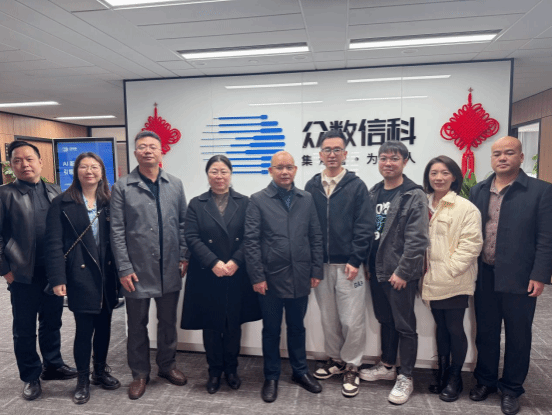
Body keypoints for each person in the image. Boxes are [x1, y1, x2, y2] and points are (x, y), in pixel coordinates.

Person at [469, 136, 552, 415]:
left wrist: (539, 274)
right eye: (497, 154)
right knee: (486, 332)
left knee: (518, 336)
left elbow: (546, 238)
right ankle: (485, 381)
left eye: (509, 153)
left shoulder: (541, 191)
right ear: (491, 159)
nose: (502, 158)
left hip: (520, 276)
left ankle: (512, 388)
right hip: (484, 274)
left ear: (521, 157)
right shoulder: (479, 190)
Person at [110, 130, 189, 400]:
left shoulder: (175, 184)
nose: (147, 151)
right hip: (136, 270)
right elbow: (117, 231)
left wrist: (184, 255)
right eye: (142, 147)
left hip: (169, 267)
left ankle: (167, 366)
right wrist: (124, 268)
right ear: (135, 153)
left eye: (152, 146)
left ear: (160, 151)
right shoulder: (122, 186)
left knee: (168, 322)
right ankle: (139, 373)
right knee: (137, 325)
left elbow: (182, 223)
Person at [244, 151, 324, 403]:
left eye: (289, 167)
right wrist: (257, 276)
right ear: (271, 171)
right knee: (271, 330)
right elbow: (251, 241)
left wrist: (316, 269)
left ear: (295, 170)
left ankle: (300, 371)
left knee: (297, 327)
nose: (285, 172)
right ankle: (271, 376)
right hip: (270, 278)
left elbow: (315, 236)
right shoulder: (258, 200)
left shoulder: (306, 198)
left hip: (300, 275)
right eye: (279, 167)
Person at [0, 141, 77, 401]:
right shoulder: (4, 194)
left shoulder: (56, 191)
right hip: (22, 273)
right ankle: (30, 375)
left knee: (52, 321)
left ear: (41, 162)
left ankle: (52, 365)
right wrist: (5, 271)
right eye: (17, 160)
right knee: (24, 328)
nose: (25, 165)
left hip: (53, 271)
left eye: (29, 159)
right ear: (11, 166)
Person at [181, 155, 261, 394]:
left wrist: (236, 261)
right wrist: (213, 262)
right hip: (207, 272)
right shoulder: (196, 203)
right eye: (214, 171)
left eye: (223, 171)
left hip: (236, 271)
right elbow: (191, 237)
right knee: (212, 325)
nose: (219, 176)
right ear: (208, 175)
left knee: (233, 323)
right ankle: (214, 371)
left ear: (230, 174)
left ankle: (232, 370)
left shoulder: (245, 202)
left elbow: (251, 236)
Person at [45, 152, 121, 404]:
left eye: (94, 167)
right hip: (80, 275)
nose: (89, 171)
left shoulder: (109, 201)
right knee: (84, 329)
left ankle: (100, 371)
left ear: (102, 172)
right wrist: (57, 278)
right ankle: (82, 380)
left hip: (107, 275)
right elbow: (53, 244)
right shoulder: (62, 202)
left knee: (104, 327)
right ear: (76, 171)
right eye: (84, 167)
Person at [305, 130, 374, 398]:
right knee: (328, 317)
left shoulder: (356, 186)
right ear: (320, 154)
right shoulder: (312, 186)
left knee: (351, 320)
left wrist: (356, 259)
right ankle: (335, 359)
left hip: (349, 266)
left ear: (345, 154)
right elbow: (307, 227)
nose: (332, 154)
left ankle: (352, 365)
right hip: (321, 266)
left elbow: (365, 226)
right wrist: (313, 263)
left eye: (337, 150)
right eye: (327, 150)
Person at [359, 141, 429, 405]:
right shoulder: (374, 192)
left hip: (399, 273)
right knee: (385, 320)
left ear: (405, 162)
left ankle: (406, 376)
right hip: (377, 270)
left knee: (405, 325)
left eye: (394, 158)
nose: (388, 163)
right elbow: (369, 233)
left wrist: (403, 271)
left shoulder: (413, 194)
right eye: (384, 158)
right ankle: (388, 366)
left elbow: (418, 239)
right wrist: (368, 266)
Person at [421, 156, 483, 402]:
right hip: (430, 279)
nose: (439, 178)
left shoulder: (465, 207)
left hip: (454, 279)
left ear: (454, 176)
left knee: (455, 327)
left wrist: (449, 271)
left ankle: (455, 378)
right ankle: (443, 372)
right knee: (441, 327)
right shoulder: (423, 204)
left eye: (445, 173)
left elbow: (471, 245)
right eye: (434, 173)